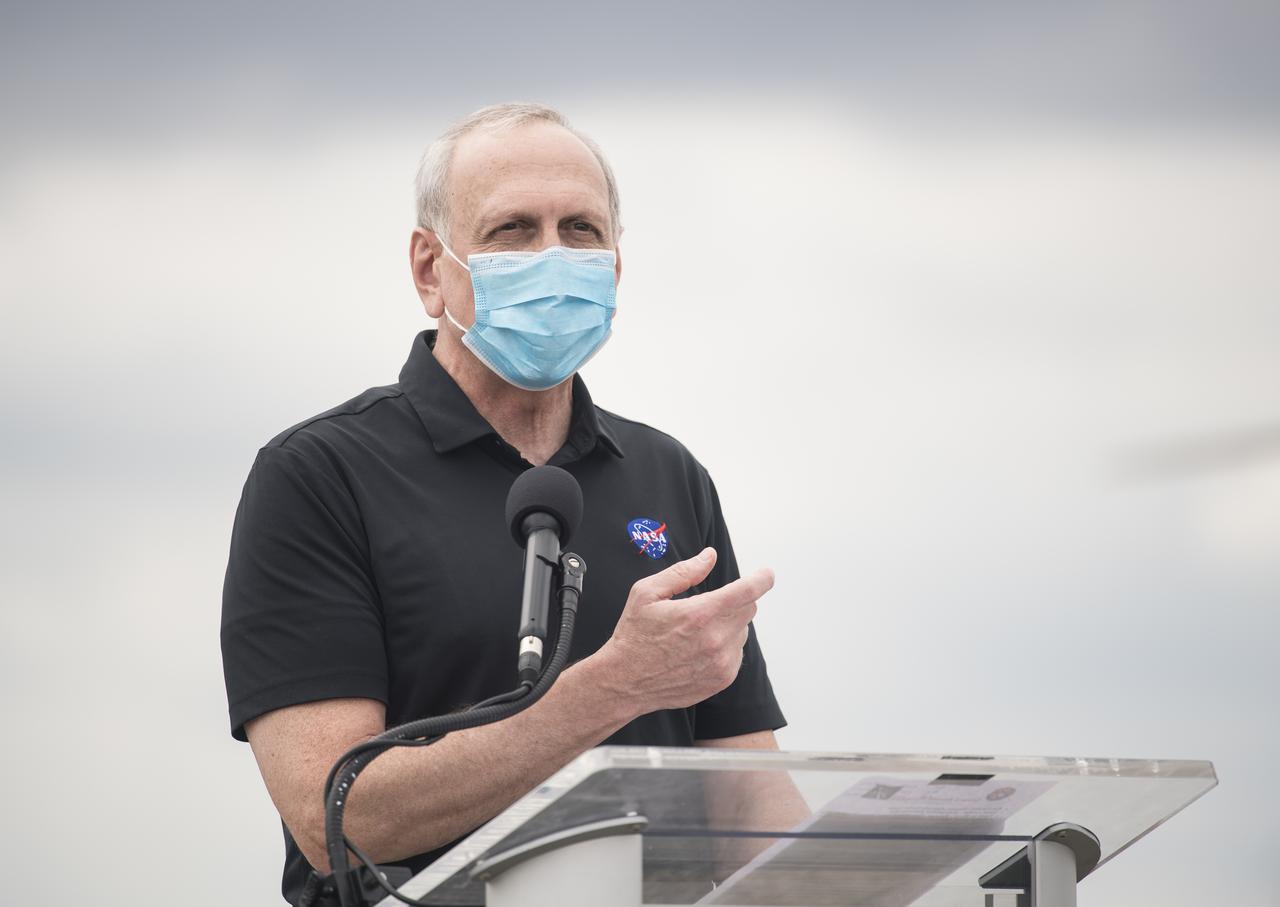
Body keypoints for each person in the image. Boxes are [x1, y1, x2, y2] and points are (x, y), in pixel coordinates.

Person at [221, 103, 794, 906]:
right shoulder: (319, 476)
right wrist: (608, 692)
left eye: (582, 231)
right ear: (430, 269)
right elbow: (334, 816)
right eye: (514, 231)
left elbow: (747, 802)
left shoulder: (668, 475)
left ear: (616, 268)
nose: (554, 256)